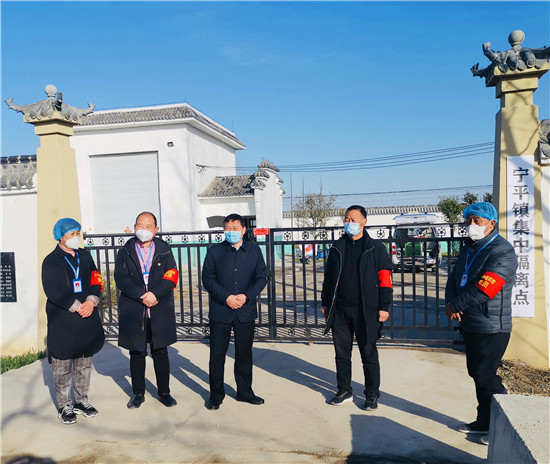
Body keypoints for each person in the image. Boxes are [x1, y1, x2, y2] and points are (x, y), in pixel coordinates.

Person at [444, 202, 518, 446]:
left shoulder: (502, 251)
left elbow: (486, 288)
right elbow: (454, 278)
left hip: (492, 325)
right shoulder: (469, 248)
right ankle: (483, 421)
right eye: (468, 220)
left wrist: (457, 305)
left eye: (477, 221)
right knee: (476, 374)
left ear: (491, 223)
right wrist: (451, 303)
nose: (471, 225)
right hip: (470, 323)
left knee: (486, 376)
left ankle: (504, 424)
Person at [321, 205, 393, 410]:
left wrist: (384, 306)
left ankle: (372, 394)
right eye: (346, 219)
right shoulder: (337, 247)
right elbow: (329, 278)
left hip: (366, 310)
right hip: (340, 310)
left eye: (353, 219)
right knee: (341, 354)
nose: (349, 223)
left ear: (364, 222)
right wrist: (325, 302)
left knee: (368, 354)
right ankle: (344, 390)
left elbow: (385, 280)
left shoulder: (375, 248)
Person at [42, 218, 105, 424]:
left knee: (84, 365)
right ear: (61, 236)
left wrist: (91, 301)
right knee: (62, 368)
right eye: (72, 234)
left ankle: (81, 401)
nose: (76, 237)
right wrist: (78, 306)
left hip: (86, 318)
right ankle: (64, 406)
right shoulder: (51, 261)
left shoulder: (84, 256)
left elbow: (96, 278)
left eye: (78, 233)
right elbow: (53, 290)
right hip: (64, 320)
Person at [202, 213, 267, 410]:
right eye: (228, 228)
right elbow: (208, 279)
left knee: (244, 354)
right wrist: (227, 297)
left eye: (235, 228)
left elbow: (261, 277)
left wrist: (246, 296)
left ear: (243, 230)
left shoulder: (254, 251)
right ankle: (216, 395)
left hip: (245, 311)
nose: (231, 232)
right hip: (221, 311)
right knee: (217, 355)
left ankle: (245, 392)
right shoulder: (215, 252)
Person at [115, 212, 179, 409]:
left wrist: (155, 294)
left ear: (156, 230)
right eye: (140, 225)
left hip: (159, 307)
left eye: (148, 226)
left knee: (160, 351)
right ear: (135, 227)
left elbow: (171, 275)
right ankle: (138, 393)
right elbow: (121, 278)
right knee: (137, 352)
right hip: (134, 307)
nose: (144, 229)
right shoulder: (125, 251)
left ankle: (164, 392)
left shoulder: (164, 250)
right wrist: (142, 295)